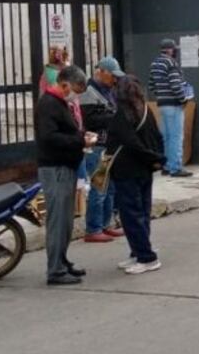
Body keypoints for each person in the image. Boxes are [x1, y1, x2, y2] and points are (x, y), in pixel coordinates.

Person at [36, 65, 94, 285]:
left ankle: (62, 260)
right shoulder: (48, 104)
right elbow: (50, 137)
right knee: (58, 220)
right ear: (65, 84)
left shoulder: (60, 103)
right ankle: (55, 270)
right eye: (76, 91)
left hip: (66, 165)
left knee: (66, 220)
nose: (75, 96)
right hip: (55, 167)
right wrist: (80, 140)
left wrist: (81, 136)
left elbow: (65, 131)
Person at [107, 77, 165, 275]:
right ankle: (138, 251)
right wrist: (157, 158)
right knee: (142, 213)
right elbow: (157, 136)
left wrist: (152, 157)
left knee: (131, 215)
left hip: (127, 170)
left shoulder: (122, 116)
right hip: (145, 169)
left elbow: (131, 143)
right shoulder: (146, 110)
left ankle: (147, 257)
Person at [80, 56, 125, 242]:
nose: (114, 79)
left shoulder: (108, 90)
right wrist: (113, 116)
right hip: (97, 147)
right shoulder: (88, 92)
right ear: (101, 72)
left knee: (110, 188)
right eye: (111, 75)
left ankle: (106, 224)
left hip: (109, 146)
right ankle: (94, 229)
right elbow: (90, 120)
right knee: (99, 189)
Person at [149, 40, 193, 179]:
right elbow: (175, 85)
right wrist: (183, 99)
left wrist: (162, 95)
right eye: (174, 49)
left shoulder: (155, 64)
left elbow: (151, 85)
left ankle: (167, 166)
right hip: (174, 105)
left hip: (162, 105)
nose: (175, 51)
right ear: (170, 50)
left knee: (167, 137)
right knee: (176, 137)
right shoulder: (171, 63)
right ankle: (175, 167)